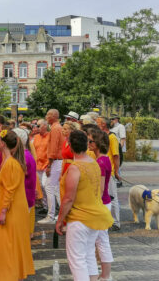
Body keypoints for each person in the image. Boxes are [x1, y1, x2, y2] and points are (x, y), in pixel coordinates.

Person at [56, 130, 113, 281]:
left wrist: (60, 219)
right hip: (95, 216)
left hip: (80, 218)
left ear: (70, 146)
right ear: (87, 145)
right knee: (88, 256)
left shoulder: (75, 167)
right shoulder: (94, 163)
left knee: (77, 260)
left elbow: (68, 198)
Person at [0, 129, 35, 280]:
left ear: (2, 143)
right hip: (14, 208)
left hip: (11, 210)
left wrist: (3, 211)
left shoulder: (11, 163)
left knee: (8, 245)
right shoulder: (11, 161)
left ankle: (9, 275)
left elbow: (9, 190)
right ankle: (13, 274)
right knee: (11, 244)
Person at [88, 129, 114, 281]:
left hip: (101, 204)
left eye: (91, 141)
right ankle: (105, 275)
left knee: (100, 241)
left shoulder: (100, 162)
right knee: (102, 240)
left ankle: (104, 275)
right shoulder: (103, 160)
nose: (89, 144)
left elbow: (100, 188)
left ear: (97, 143)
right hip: (104, 203)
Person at [39, 109, 64, 224]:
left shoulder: (55, 129)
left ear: (53, 116)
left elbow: (53, 149)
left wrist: (49, 165)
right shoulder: (58, 127)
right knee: (56, 189)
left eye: (48, 115)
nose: (46, 117)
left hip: (55, 161)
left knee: (49, 187)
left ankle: (51, 216)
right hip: (58, 161)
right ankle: (60, 215)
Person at [97, 116, 121, 231]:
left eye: (97, 123)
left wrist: (116, 171)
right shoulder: (102, 136)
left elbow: (116, 155)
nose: (96, 124)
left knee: (112, 196)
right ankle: (109, 219)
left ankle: (116, 222)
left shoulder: (112, 137)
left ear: (103, 125)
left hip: (110, 171)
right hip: (104, 170)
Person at [13, 128, 37, 238]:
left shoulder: (24, 156)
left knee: (21, 232)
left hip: (24, 197)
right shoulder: (24, 154)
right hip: (25, 196)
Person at [33, 119, 49, 214]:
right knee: (41, 187)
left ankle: (51, 206)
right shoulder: (36, 137)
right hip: (37, 165)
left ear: (45, 126)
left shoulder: (50, 136)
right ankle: (45, 206)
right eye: (36, 126)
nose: (36, 128)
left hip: (46, 165)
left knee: (45, 186)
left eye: (38, 126)